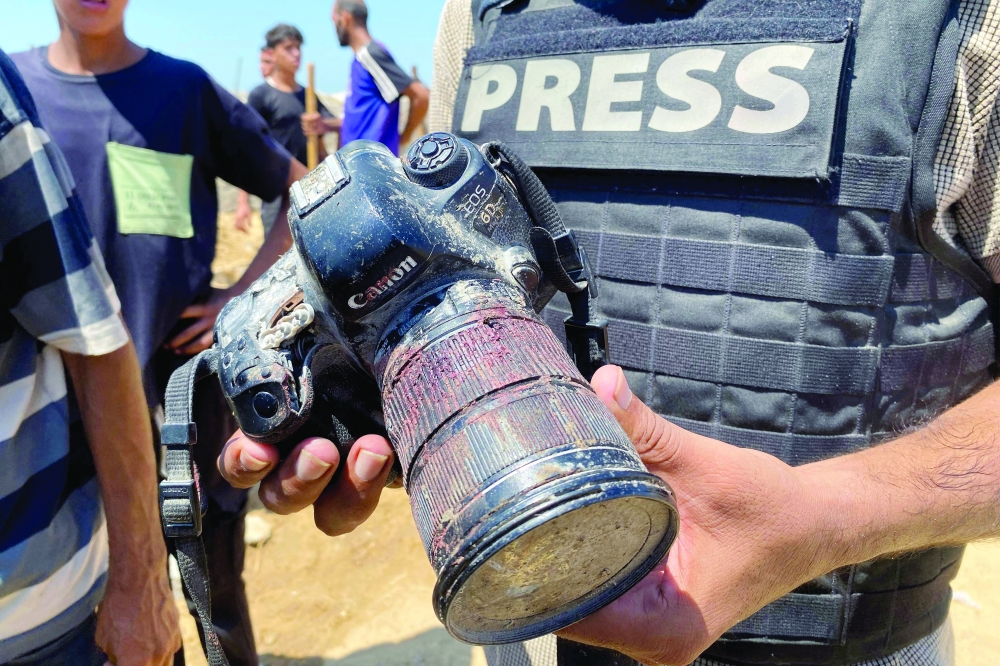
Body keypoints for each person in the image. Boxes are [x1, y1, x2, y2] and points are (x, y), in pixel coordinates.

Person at [220, 0, 1000, 665]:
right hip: (536, 621)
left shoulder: (955, 19)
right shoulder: (484, 17)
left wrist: (826, 518)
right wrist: (410, 404)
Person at [10, 1, 309, 664]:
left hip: (180, 403)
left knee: (211, 589)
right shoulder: (15, 95)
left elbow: (300, 191)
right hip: (60, 419)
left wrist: (240, 298)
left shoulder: (182, 90)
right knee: (95, 611)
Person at [0, 48, 179, 666]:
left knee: (211, 562)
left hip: (154, 387)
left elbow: (284, 180)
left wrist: (231, 299)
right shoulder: (29, 76)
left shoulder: (181, 87)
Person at [236, 24, 338, 236]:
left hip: (311, 187)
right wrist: (242, 203)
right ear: (272, 54)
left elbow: (340, 124)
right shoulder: (261, 96)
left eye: (298, 47)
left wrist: (322, 125)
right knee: (279, 258)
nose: (296, 54)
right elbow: (246, 146)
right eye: (289, 48)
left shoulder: (308, 97)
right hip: (278, 192)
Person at [332, 0, 430, 155]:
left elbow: (421, 96)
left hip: (372, 165)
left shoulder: (370, 55)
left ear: (345, 18)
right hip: (357, 164)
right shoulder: (359, 60)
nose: (334, 27)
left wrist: (404, 137)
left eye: (334, 20)